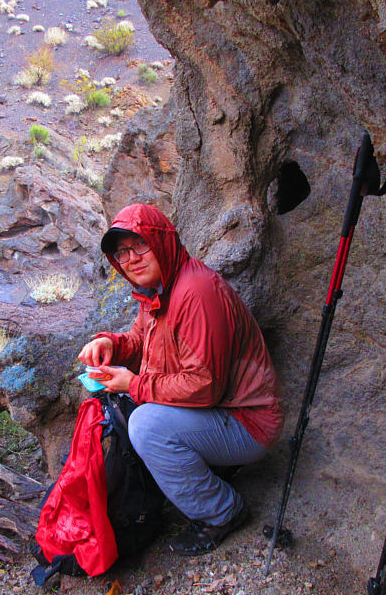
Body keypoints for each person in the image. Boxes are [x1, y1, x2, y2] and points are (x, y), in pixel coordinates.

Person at [78, 203, 283, 556]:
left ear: (161, 242)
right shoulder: (159, 288)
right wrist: (110, 342)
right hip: (219, 411)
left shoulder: (196, 292)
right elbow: (141, 338)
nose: (132, 258)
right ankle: (205, 473)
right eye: (122, 252)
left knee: (145, 425)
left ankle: (223, 512)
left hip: (248, 421)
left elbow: (205, 385)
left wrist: (135, 384)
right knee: (127, 409)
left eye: (139, 245)